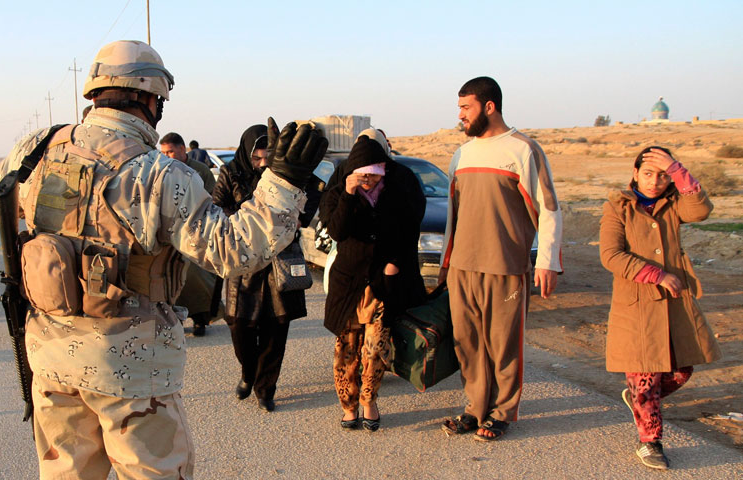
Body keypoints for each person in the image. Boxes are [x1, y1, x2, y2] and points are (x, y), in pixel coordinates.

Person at [0, 39, 327, 479]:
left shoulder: (38, 147)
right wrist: (284, 181)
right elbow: (234, 250)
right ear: (148, 97)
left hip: (50, 359)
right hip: (130, 370)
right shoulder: (159, 176)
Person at [438, 76, 563, 441]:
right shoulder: (462, 154)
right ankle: (474, 409)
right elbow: (453, 215)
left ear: (489, 106)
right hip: (463, 266)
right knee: (468, 343)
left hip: (505, 266)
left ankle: (503, 412)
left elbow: (550, 208)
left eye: (466, 107)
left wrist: (548, 261)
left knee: (503, 345)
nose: (460, 115)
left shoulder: (523, 149)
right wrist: (446, 264)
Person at [599, 146, 721, 470]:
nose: (655, 182)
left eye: (663, 175)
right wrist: (656, 274)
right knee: (646, 377)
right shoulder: (618, 207)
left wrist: (679, 170)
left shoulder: (674, 204)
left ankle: (640, 400)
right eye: (649, 173)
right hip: (636, 305)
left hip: (674, 305)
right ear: (635, 174)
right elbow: (610, 255)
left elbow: (702, 211)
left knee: (682, 370)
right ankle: (650, 443)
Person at [319, 129, 426, 431]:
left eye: (375, 175)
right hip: (348, 282)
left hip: (381, 281)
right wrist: (349, 194)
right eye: (363, 175)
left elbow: (408, 231)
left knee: (376, 348)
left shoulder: (397, 188)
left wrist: (395, 264)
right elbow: (337, 231)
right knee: (346, 350)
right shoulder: (340, 191)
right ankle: (348, 406)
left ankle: (369, 400)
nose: (370, 181)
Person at [212, 124, 322, 412]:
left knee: (277, 327)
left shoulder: (286, 173)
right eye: (257, 158)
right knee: (239, 325)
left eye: (267, 158)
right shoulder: (231, 172)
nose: (262, 164)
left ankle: (265, 388)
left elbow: (314, 190)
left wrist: (298, 217)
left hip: (280, 261)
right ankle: (248, 373)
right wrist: (244, 221)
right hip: (243, 260)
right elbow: (217, 206)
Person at [160, 132, 220, 336]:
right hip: (170, 232)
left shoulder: (200, 171)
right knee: (170, 278)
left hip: (196, 232)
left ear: (182, 149)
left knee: (197, 278)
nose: (167, 156)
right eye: (163, 152)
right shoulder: (163, 170)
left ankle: (200, 320)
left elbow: (213, 198)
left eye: (170, 151)